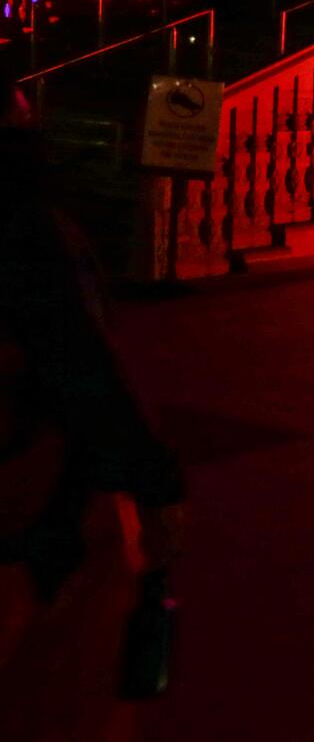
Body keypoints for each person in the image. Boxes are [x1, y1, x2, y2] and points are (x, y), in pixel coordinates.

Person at [1, 77, 187, 740]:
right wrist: (154, 474)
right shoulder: (27, 225)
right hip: (35, 503)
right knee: (68, 688)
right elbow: (82, 363)